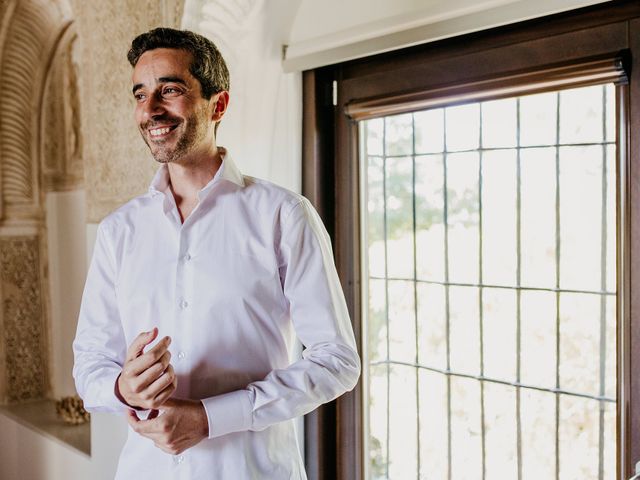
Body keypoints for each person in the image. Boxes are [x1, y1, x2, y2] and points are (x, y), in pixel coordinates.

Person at [72, 27, 360, 480]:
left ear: (218, 104)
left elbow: (336, 360)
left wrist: (211, 416)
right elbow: (89, 360)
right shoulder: (118, 232)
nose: (150, 110)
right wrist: (121, 387)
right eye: (140, 94)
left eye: (170, 90)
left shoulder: (283, 215)